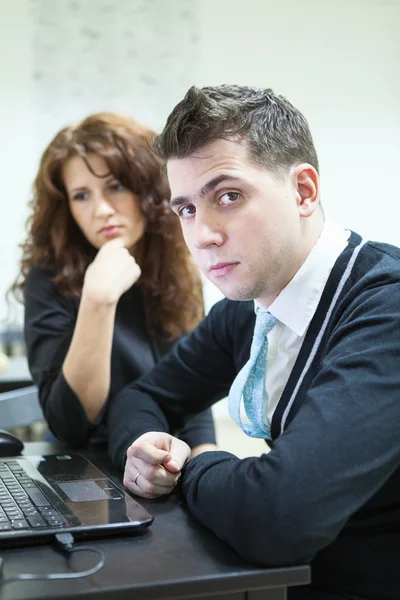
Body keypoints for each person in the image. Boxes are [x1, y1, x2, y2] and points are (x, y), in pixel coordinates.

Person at [107, 86, 400, 600]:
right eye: (187, 209)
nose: (202, 236)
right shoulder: (249, 310)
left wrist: (195, 461)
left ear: (304, 191)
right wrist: (140, 447)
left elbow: (281, 515)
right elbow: (143, 396)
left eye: (228, 196)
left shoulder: (386, 307)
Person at [12, 112, 216, 454]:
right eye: (81, 196)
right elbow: (70, 425)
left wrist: (205, 462)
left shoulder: (177, 267)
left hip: (165, 455)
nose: (101, 210)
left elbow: (194, 385)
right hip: (83, 462)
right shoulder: (49, 278)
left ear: (148, 190)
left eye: (115, 187)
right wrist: (98, 300)